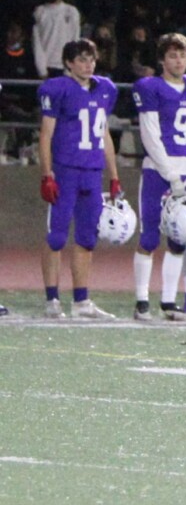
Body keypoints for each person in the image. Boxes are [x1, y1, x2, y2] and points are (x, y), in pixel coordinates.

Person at [37, 38, 122, 320]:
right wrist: (47, 173)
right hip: (66, 171)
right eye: (82, 60)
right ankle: (52, 299)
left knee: (87, 238)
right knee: (57, 236)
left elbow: (104, 133)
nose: (88, 65)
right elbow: (46, 134)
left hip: (92, 172)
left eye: (91, 59)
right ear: (69, 63)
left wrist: (114, 175)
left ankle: (81, 300)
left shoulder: (105, 89)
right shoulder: (57, 89)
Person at [132, 33, 186, 322]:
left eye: (182, 55)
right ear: (162, 60)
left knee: (180, 238)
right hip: (158, 171)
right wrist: (170, 174)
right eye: (172, 56)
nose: (178, 61)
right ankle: (142, 300)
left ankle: (168, 301)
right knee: (149, 237)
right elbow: (150, 135)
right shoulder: (150, 87)